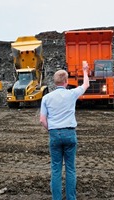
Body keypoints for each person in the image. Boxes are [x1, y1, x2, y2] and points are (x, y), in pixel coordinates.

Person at [40, 61, 90, 200]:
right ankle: (71, 198)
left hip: (55, 134)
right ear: (66, 81)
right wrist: (85, 70)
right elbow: (85, 85)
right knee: (70, 169)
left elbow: (42, 120)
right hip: (69, 133)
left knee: (56, 169)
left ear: (55, 82)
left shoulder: (46, 98)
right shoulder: (71, 94)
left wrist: (52, 130)